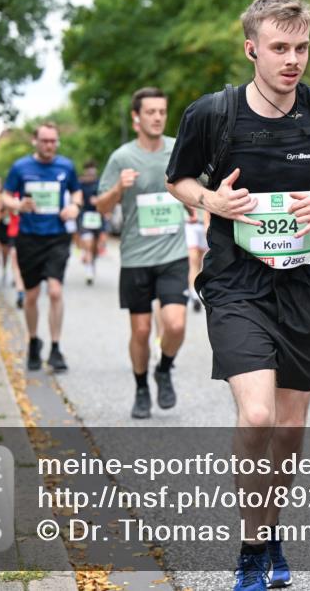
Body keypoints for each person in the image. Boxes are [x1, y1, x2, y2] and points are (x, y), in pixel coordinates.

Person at [165, 0, 310, 591]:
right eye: (280, 48)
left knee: (288, 428)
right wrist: (211, 200)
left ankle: (269, 526)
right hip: (237, 280)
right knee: (256, 414)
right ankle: (252, 548)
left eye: (302, 47)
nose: (292, 60)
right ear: (251, 48)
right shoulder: (214, 113)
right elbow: (177, 178)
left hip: (304, 285)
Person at [97, 87, 191, 419]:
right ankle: (141, 387)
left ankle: (163, 368)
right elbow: (101, 207)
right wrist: (118, 188)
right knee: (140, 330)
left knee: (175, 325)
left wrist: (195, 205)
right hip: (136, 257)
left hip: (173, 254)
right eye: (150, 112)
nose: (157, 117)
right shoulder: (121, 158)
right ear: (136, 118)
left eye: (162, 112)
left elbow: (194, 187)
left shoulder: (177, 150)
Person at [2, 123, 82, 372]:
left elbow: (77, 193)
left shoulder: (66, 166)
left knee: (55, 291)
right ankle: (34, 341)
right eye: (45, 141)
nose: (49, 145)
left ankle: (56, 348)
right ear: (34, 141)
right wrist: (17, 205)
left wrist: (74, 208)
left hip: (57, 237)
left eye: (53, 141)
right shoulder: (20, 167)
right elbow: (5, 196)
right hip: (29, 238)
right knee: (32, 295)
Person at [77, 160, 105, 286]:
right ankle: (88, 270)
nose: (91, 173)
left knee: (94, 247)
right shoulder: (80, 184)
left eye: (93, 171)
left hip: (98, 217)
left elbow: (105, 197)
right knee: (88, 244)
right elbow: (75, 197)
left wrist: (99, 200)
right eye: (89, 171)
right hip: (84, 217)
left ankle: (91, 264)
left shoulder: (100, 183)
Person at [185, 208, 210, 312]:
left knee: (202, 260)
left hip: (205, 224)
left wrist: (207, 223)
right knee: (193, 259)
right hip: (190, 224)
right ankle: (194, 294)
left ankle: (200, 291)